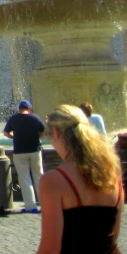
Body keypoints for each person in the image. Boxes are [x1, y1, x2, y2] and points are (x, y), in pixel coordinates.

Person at [37, 105, 122, 254]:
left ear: (56, 133)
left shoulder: (54, 181)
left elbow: (50, 250)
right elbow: (111, 244)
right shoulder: (112, 176)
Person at [3, 100, 45, 213]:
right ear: (29, 108)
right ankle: (44, 204)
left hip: (20, 151)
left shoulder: (14, 118)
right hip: (35, 150)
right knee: (39, 176)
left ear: (19, 109)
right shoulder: (35, 118)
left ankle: (30, 206)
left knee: (25, 178)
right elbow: (42, 132)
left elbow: (6, 132)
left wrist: (14, 137)